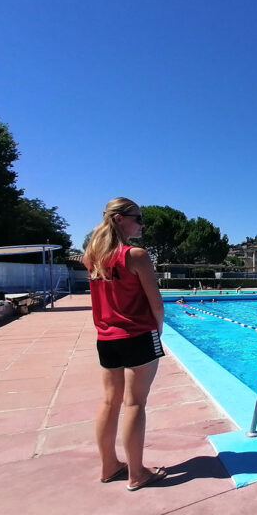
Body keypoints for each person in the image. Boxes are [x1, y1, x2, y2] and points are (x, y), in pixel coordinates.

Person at [83, 197, 167, 492]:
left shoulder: (92, 255)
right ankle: (137, 474)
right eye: (138, 218)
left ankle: (109, 466)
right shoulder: (136, 255)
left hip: (106, 339)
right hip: (136, 336)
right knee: (135, 403)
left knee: (110, 401)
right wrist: (158, 333)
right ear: (120, 219)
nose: (142, 224)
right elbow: (156, 304)